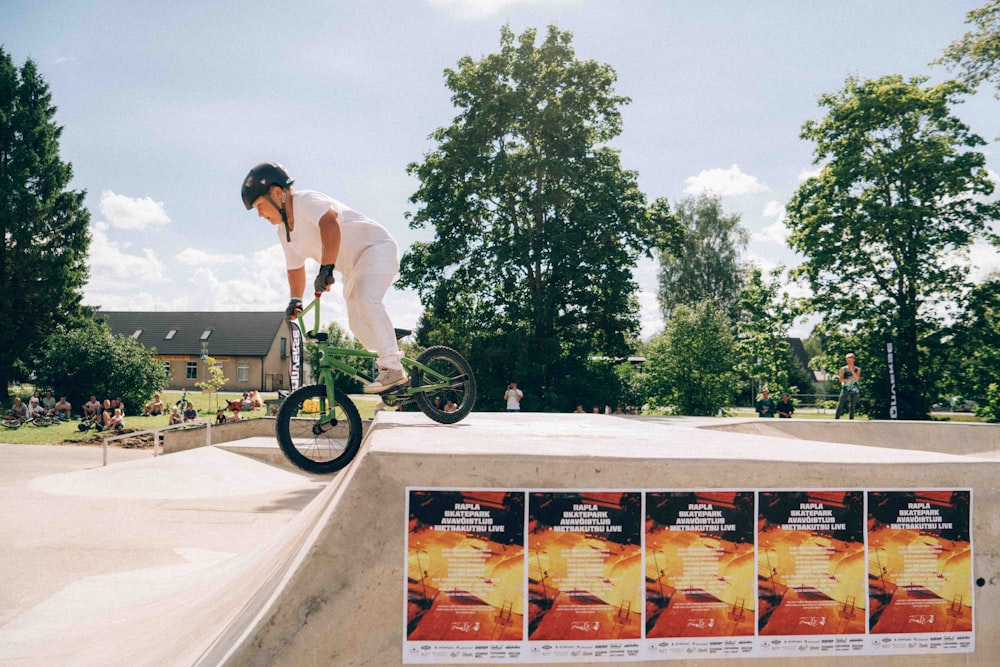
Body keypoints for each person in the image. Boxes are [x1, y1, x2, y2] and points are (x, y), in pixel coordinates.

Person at [242, 162, 407, 394]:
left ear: (278, 194)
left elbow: (330, 223)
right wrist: (295, 299)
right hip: (353, 267)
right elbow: (295, 268)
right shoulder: (284, 232)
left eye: (259, 205)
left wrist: (326, 268)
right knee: (358, 325)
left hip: (376, 248)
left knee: (365, 300)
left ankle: (393, 366)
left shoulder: (305, 201)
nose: (259, 214)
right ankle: (393, 369)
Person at [835, 353, 861, 420]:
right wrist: (850, 379)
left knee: (852, 406)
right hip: (845, 388)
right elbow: (841, 379)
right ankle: (836, 419)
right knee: (840, 404)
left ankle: (851, 419)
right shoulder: (843, 369)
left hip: (854, 389)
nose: (849, 362)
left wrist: (852, 370)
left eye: (850, 360)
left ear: (853, 360)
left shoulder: (857, 369)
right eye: (847, 360)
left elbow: (857, 378)